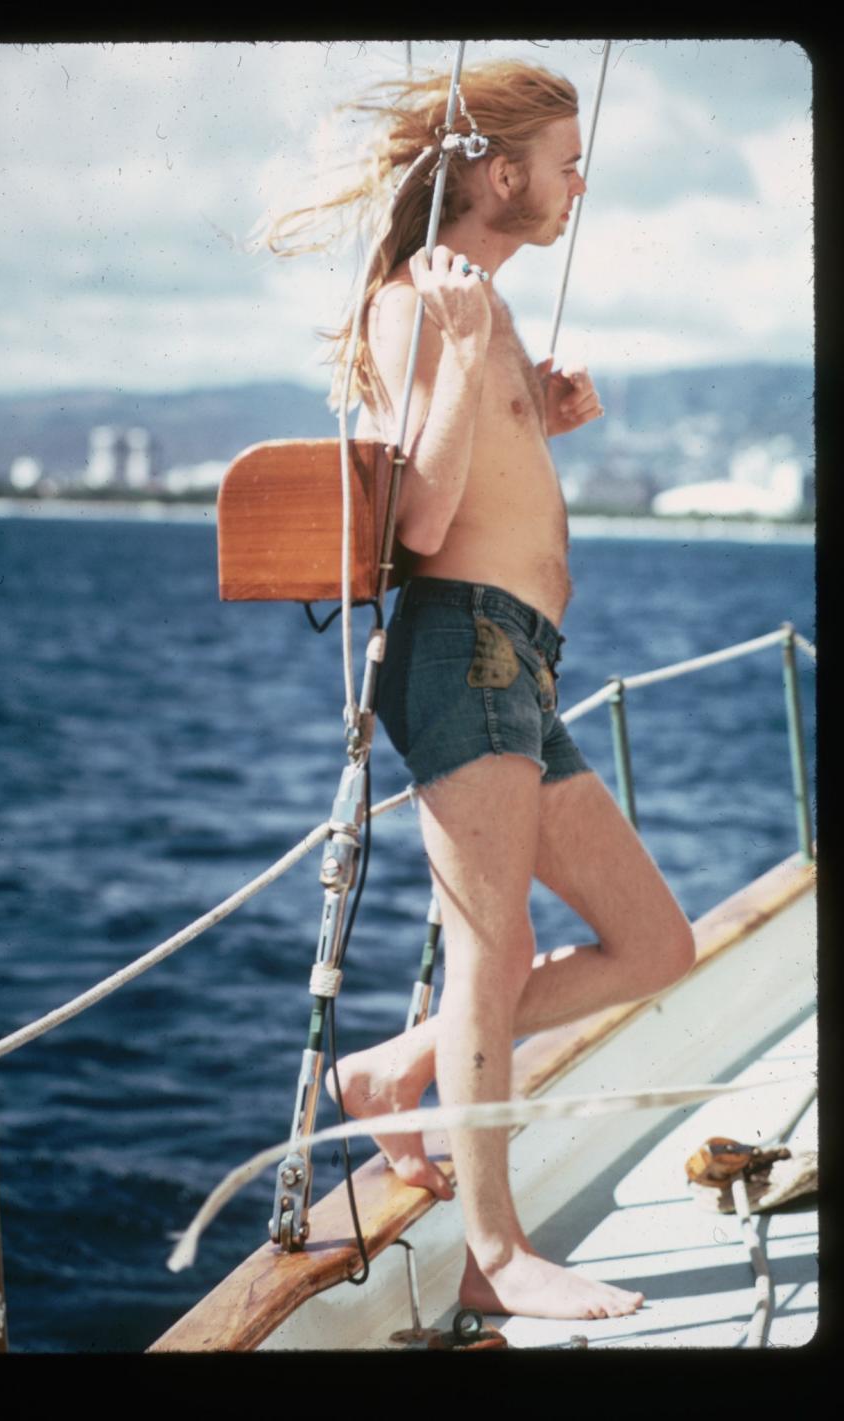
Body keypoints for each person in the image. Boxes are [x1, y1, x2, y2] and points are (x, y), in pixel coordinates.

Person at [271, 58, 695, 1321]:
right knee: (487, 954)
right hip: (463, 653)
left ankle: (391, 1073)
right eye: (564, 162)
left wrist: (532, 413)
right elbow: (428, 520)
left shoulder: (480, 311)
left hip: (519, 665)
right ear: (500, 173)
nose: (576, 183)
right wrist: (463, 359)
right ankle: (494, 1256)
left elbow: (477, 479)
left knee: (657, 942)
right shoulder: (422, 306)